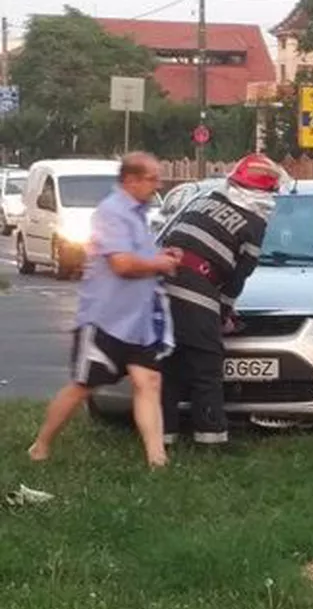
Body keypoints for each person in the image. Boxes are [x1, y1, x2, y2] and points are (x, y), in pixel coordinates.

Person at [28, 152, 180, 468]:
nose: (158, 185)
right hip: (105, 321)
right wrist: (158, 264)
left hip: (138, 324)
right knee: (82, 387)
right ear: (131, 180)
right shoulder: (112, 213)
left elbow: (139, 256)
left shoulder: (139, 215)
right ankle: (40, 446)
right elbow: (122, 264)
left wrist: (161, 255)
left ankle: (157, 460)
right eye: (152, 178)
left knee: (149, 382)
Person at [160, 153, 284, 448]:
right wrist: (223, 313)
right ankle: (211, 440)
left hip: (162, 288)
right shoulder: (254, 222)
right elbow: (240, 275)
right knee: (206, 368)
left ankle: (163, 437)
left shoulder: (204, 201)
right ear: (265, 192)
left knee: (170, 365)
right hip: (196, 293)